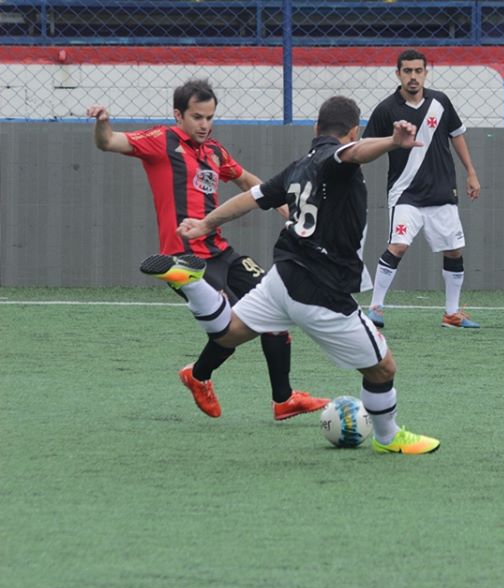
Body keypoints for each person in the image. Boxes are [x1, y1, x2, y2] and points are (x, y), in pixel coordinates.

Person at [142, 96, 440, 454]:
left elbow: (250, 198)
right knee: (382, 368)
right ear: (353, 131)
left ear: (316, 128)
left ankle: (194, 284)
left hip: (282, 277)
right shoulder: (336, 158)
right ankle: (388, 437)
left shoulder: (298, 167)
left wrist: (205, 224)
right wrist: (392, 141)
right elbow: (355, 153)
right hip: (321, 288)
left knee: (228, 333)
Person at [86, 79, 327, 421]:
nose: (204, 125)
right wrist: (102, 123)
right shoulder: (161, 141)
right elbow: (108, 142)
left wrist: (288, 211)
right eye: (197, 117)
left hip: (221, 251)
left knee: (274, 306)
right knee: (232, 325)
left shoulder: (214, 151)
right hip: (186, 260)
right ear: (178, 115)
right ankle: (199, 375)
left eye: (210, 117)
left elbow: (247, 182)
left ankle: (283, 400)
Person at [363, 48, 482, 329]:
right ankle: (375, 308)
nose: (413, 76)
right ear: (398, 74)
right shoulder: (386, 109)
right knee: (398, 246)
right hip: (405, 193)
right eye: (407, 71)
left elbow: (457, 136)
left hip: (442, 192)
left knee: (454, 250)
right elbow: (366, 145)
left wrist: (471, 172)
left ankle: (451, 314)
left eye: (418, 71)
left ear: (426, 73)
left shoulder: (441, 102)